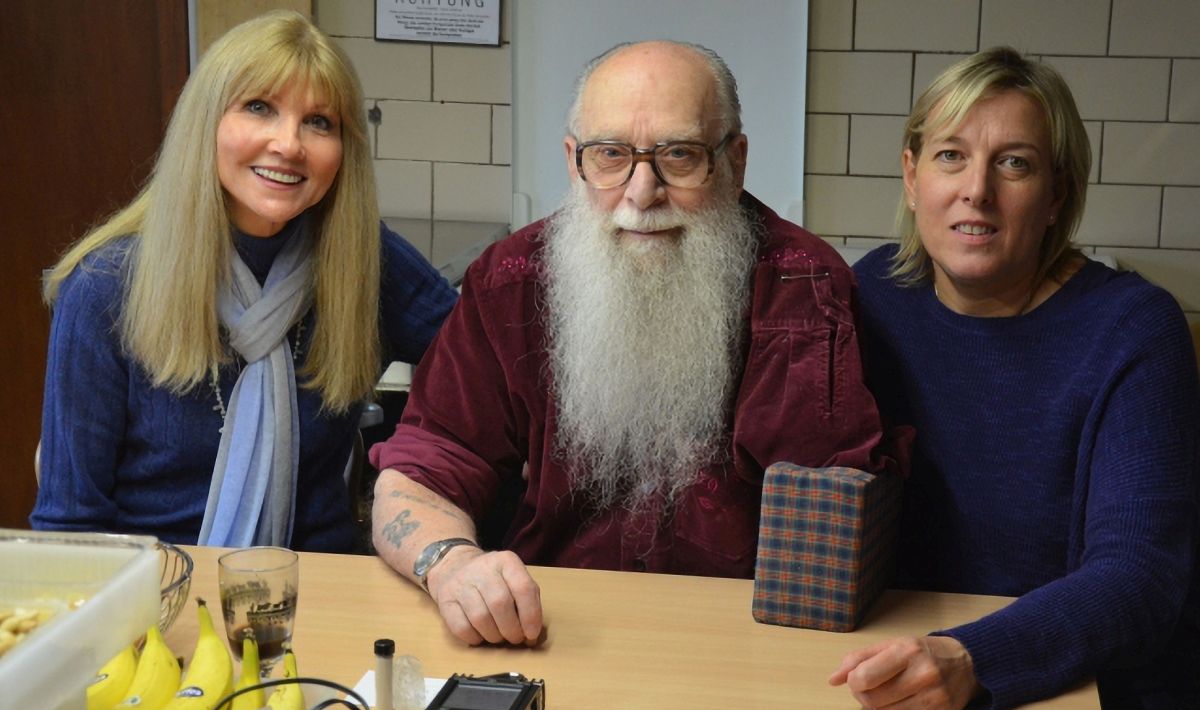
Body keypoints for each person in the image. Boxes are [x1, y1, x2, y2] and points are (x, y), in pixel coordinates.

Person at [369, 40, 897, 646]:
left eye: (680, 155)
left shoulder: (804, 287)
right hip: (551, 627)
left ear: (735, 161)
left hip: (744, 635)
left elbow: (826, 511)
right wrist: (452, 564)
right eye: (611, 155)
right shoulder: (509, 281)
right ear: (574, 162)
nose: (642, 192)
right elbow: (428, 462)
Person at [832, 47, 1200, 710]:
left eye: (1015, 163)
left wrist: (974, 657)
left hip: (1085, 691)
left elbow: (1142, 575)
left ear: (1057, 194)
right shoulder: (872, 295)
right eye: (950, 156)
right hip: (895, 669)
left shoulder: (1133, 328)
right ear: (911, 177)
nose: (977, 190)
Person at [32, 11, 457, 552]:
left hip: (322, 579)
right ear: (205, 123)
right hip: (162, 582)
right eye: (259, 107)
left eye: (319, 122)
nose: (289, 144)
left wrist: (414, 469)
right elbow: (70, 528)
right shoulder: (105, 287)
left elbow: (491, 375)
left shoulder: (364, 260)